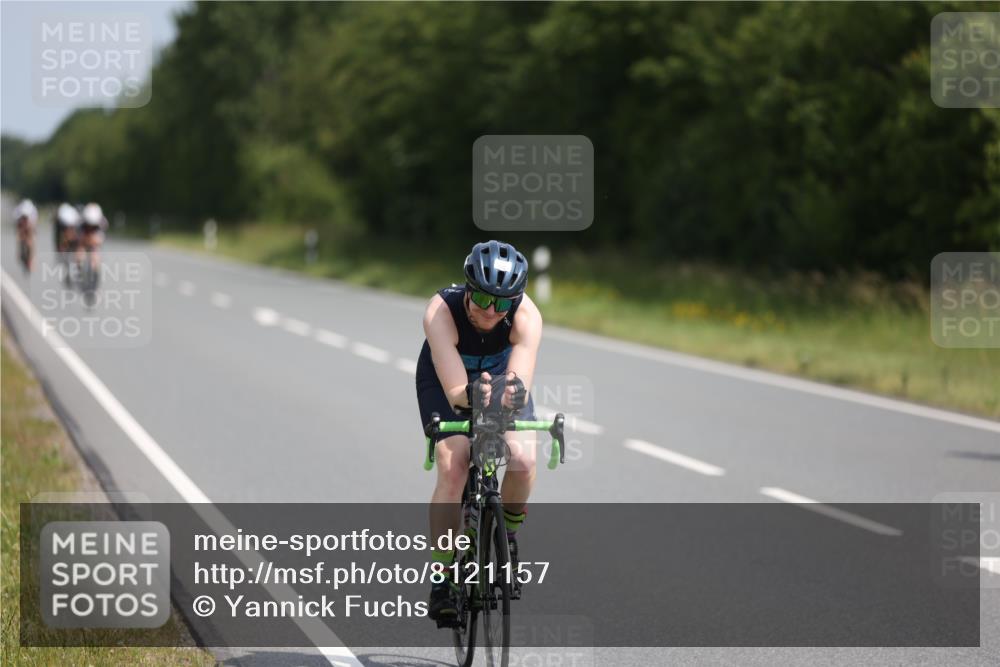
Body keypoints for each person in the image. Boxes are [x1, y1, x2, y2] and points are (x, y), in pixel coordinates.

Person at [416, 240, 543, 625]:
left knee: (522, 458)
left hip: (501, 376)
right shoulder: (441, 311)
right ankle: (442, 577)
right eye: (483, 299)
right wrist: (473, 397)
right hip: (447, 380)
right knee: (454, 466)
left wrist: (509, 396)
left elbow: (517, 386)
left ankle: (509, 539)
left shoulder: (527, 317)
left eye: (502, 303)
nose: (491, 311)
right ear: (468, 289)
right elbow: (456, 391)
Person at [78, 202, 108, 272]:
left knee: (95, 251)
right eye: (89, 224)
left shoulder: (103, 222)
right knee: (80, 251)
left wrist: (94, 241)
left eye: (93, 225)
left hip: (95, 238)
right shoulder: (80, 222)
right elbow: (79, 238)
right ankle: (80, 270)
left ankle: (94, 270)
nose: (91, 226)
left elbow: (100, 239)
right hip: (83, 236)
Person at [13, 199, 38, 273]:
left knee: (32, 241)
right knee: (20, 238)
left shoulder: (33, 213)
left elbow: (34, 227)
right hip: (20, 224)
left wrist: (31, 237)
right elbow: (17, 229)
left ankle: (31, 260)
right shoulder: (17, 212)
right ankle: (20, 254)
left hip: (31, 225)